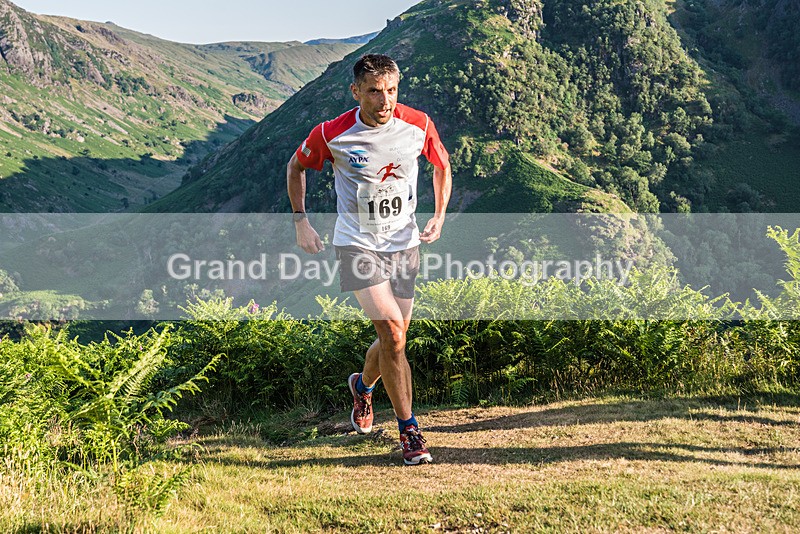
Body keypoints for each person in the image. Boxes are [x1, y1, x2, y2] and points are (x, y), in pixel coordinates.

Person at [287, 53, 452, 465]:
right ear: (356, 91)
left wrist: (439, 215)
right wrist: (300, 221)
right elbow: (296, 167)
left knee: (395, 338)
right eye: (375, 91)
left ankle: (362, 387)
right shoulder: (332, 133)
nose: (385, 100)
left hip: (404, 244)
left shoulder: (419, 124)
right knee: (393, 333)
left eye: (391, 90)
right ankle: (409, 430)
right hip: (356, 244)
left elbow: (442, 164)